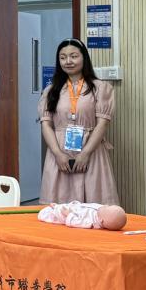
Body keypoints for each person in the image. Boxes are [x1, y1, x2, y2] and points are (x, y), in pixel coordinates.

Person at [39, 39, 119, 205]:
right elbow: (46, 125)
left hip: (91, 151)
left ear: (84, 58)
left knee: (94, 206)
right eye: (63, 57)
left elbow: (102, 124)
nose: (68, 61)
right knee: (59, 206)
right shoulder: (51, 91)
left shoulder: (100, 88)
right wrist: (58, 154)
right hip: (59, 152)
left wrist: (85, 154)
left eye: (73, 56)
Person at [38, 202, 127, 230]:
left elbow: (76, 222)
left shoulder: (90, 223)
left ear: (101, 220)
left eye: (107, 208)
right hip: (76, 207)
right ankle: (57, 206)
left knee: (49, 214)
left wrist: (68, 214)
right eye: (109, 206)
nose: (106, 205)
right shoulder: (100, 212)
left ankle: (54, 209)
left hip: (67, 214)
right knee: (66, 206)